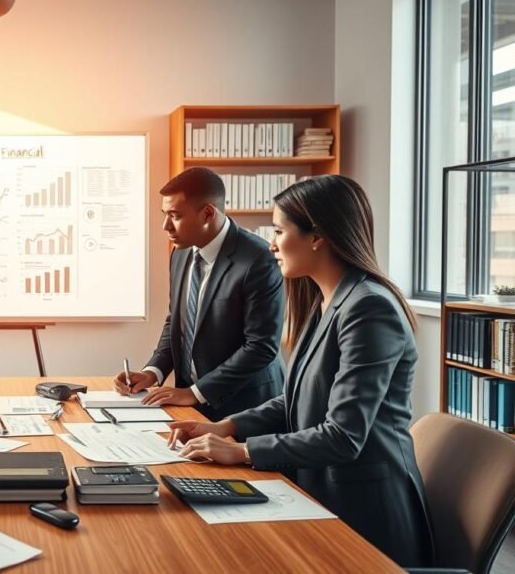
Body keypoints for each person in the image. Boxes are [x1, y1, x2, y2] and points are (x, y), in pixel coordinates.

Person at [168, 175, 433, 567]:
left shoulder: (369, 309)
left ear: (318, 237)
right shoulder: (325, 300)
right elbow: (294, 399)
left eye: (279, 231)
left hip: (365, 514)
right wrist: (226, 426)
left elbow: (343, 436)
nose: (271, 244)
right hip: (317, 489)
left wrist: (243, 451)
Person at [115, 167, 285, 420]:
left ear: (207, 214)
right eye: (165, 215)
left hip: (245, 408)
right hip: (190, 403)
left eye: (175, 216)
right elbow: (177, 321)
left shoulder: (258, 259)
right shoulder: (180, 252)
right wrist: (153, 372)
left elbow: (260, 347)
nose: (165, 226)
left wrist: (196, 392)